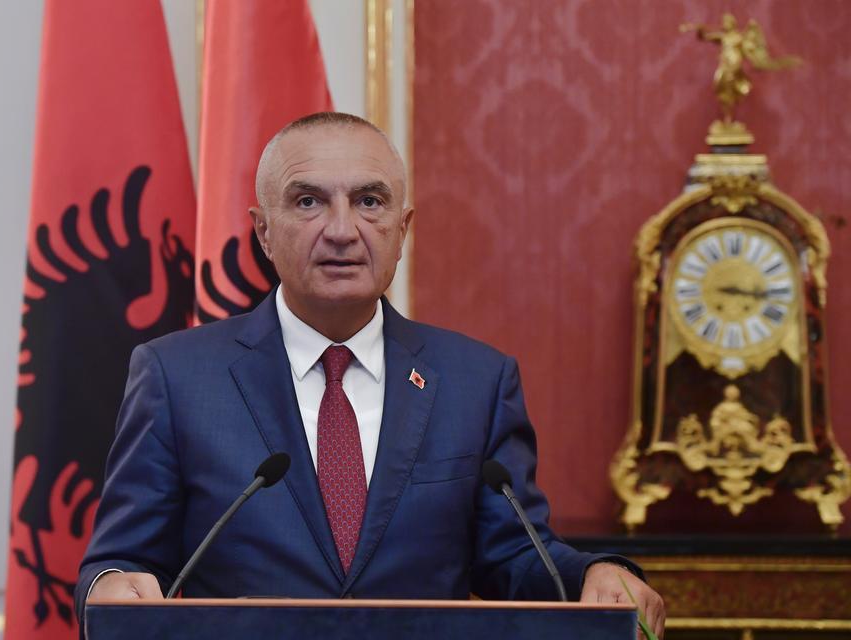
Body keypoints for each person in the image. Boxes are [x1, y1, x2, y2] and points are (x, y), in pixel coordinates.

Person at [76, 112, 666, 638]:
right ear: (262, 231)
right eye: (308, 201)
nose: (341, 230)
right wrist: (109, 583)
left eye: (369, 201)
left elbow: (515, 553)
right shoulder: (177, 377)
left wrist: (598, 572)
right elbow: (124, 561)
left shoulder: (476, 382)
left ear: (402, 229)